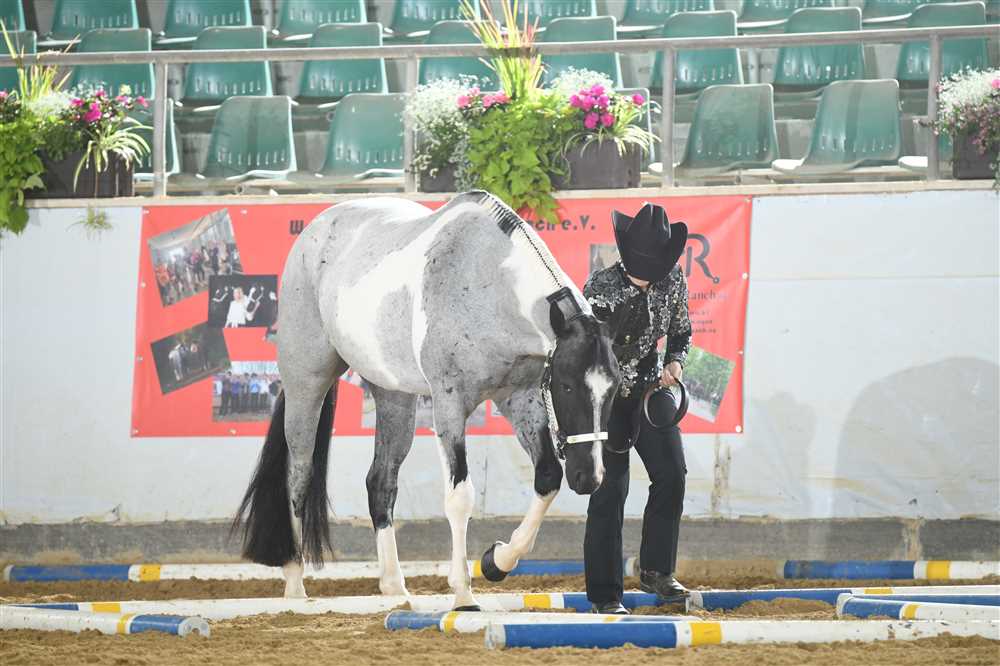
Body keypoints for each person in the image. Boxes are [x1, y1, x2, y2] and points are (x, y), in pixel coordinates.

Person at [582, 202, 692, 615]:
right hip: (606, 398)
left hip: (649, 389)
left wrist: (675, 362)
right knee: (610, 489)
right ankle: (605, 594)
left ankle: (657, 571)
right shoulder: (600, 288)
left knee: (672, 473)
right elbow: (584, 351)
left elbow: (681, 331)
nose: (648, 274)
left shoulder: (672, 280)